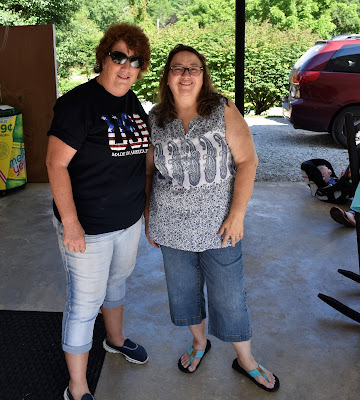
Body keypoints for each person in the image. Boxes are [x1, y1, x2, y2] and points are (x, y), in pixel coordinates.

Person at [145, 44, 279, 392]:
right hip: (170, 225)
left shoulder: (222, 109)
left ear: (203, 75)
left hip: (219, 225)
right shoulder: (155, 119)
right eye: (178, 68)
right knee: (183, 293)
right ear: (167, 77)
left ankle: (245, 359)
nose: (186, 74)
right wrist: (148, 216)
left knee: (229, 297)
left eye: (194, 68)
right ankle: (199, 342)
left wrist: (237, 215)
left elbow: (247, 161)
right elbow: (148, 173)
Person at [46, 23, 151, 400]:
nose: (126, 67)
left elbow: (141, 162)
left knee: (117, 283)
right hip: (87, 226)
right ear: (103, 58)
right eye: (119, 57)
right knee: (84, 303)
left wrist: (145, 214)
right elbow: (55, 164)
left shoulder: (132, 102)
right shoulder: (78, 104)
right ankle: (77, 387)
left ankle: (115, 339)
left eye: (135, 61)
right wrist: (71, 223)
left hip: (127, 220)